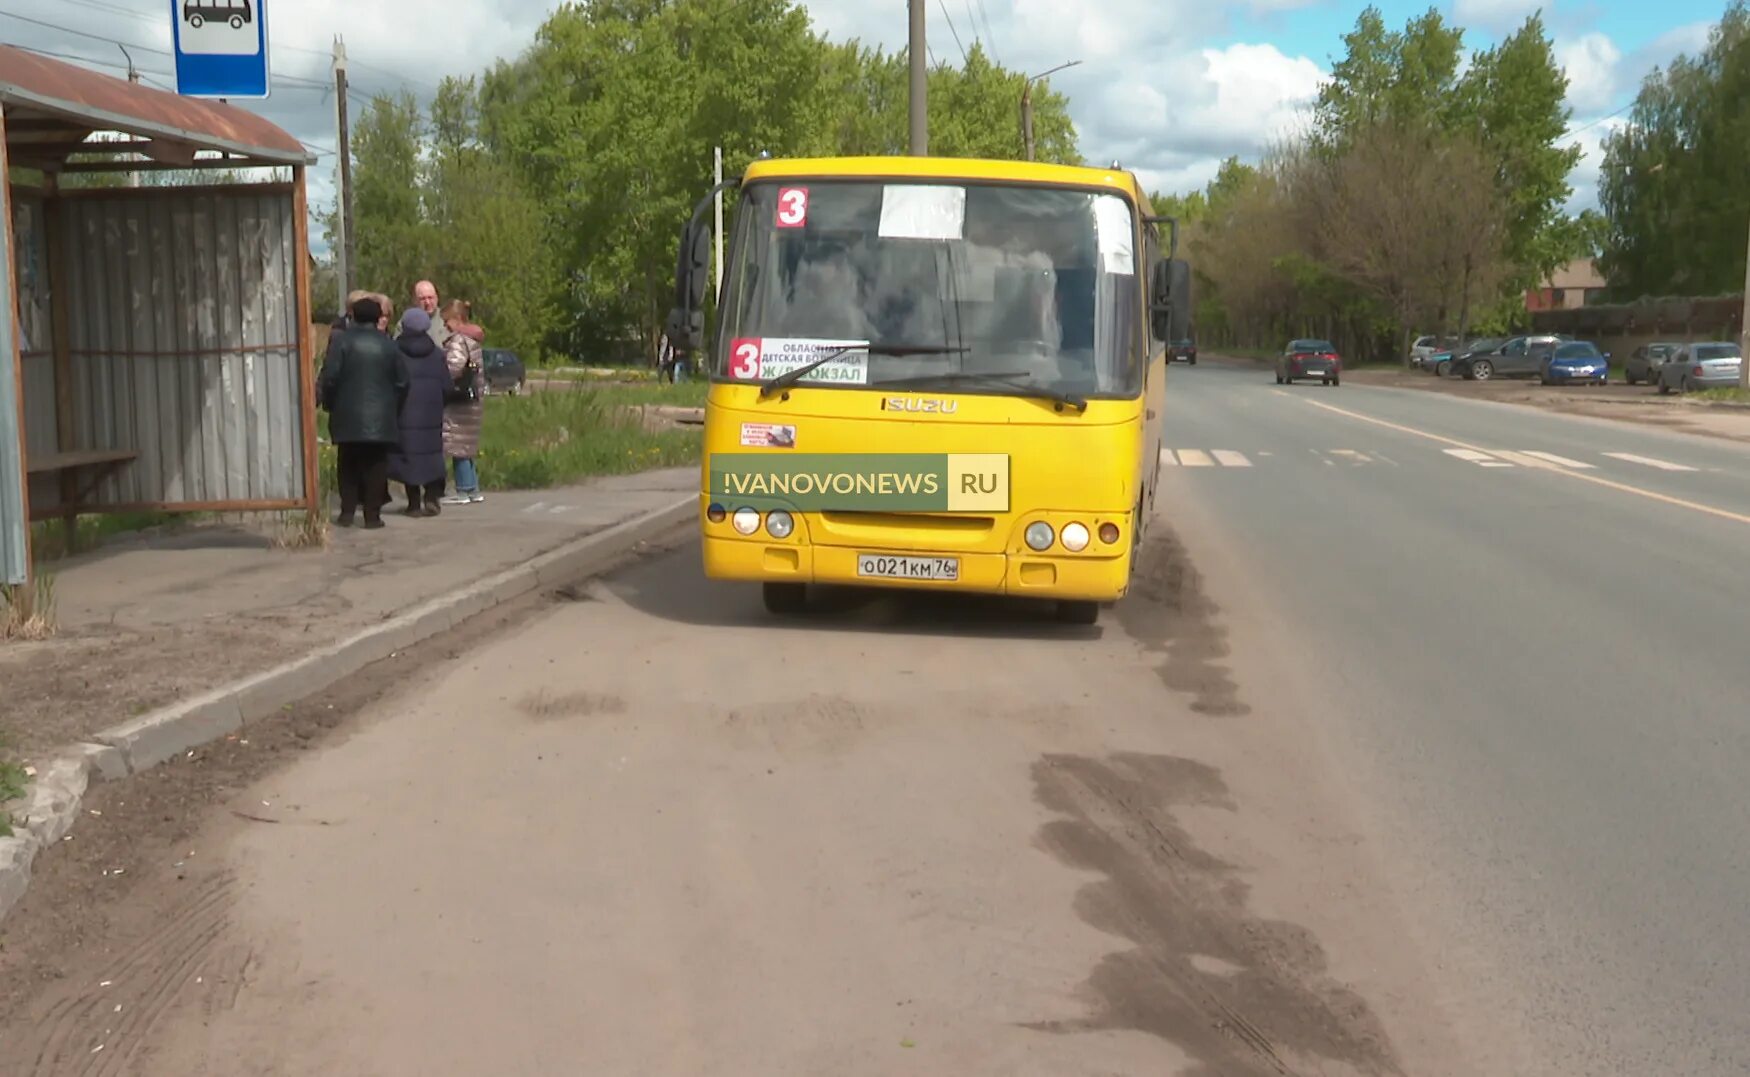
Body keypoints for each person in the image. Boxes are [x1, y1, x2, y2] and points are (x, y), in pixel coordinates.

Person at [318, 296, 409, 529]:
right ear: (379, 317)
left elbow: (330, 377)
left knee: (347, 462)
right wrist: (392, 406)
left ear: (353, 316)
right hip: (381, 417)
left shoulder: (341, 342)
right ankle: (372, 515)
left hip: (346, 415)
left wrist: (330, 404)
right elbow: (403, 381)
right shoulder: (389, 345)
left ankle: (347, 512)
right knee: (377, 465)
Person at [389, 308, 449, 517]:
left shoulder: (394, 351)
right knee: (432, 455)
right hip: (431, 414)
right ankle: (432, 497)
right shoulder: (436, 355)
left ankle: (413, 503)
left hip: (403, 412)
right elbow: (447, 386)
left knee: (407, 456)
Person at [440, 299, 487, 505]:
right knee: (467, 446)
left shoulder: (459, 340)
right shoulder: (473, 340)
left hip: (458, 402)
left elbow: (454, 368)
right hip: (472, 399)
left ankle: (462, 490)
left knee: (458, 445)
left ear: (457, 319)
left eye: (446, 321)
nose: (445, 326)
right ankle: (473, 488)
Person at [413, 280, 451, 349]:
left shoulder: (448, 319)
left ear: (437, 298)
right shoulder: (407, 323)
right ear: (415, 300)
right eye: (422, 299)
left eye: (430, 298)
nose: (427, 302)